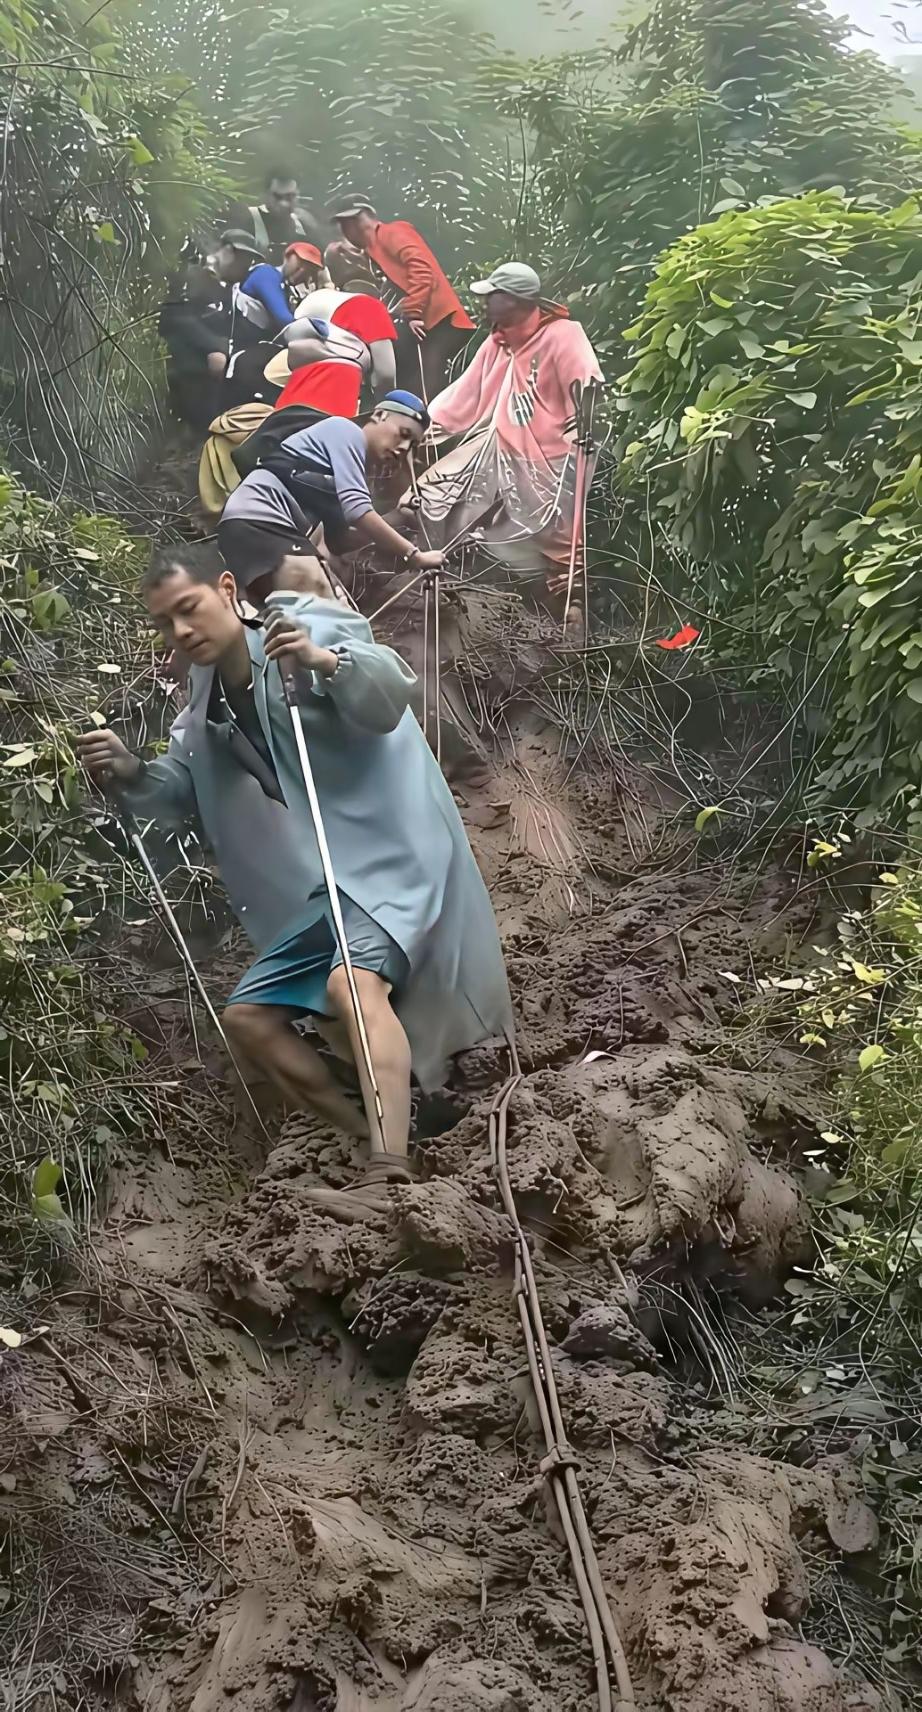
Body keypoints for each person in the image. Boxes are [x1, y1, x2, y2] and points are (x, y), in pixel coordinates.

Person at [76, 544, 513, 1212]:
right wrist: (133, 772)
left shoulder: (296, 628)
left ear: (227, 589)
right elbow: (185, 786)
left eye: (188, 609)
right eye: (166, 623)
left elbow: (389, 689)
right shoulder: (203, 701)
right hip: (334, 877)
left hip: (390, 849)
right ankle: (382, 1131)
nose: (182, 632)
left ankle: (388, 1174)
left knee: (350, 982)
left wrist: (321, 661)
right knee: (248, 1018)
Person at [412, 262, 604, 622]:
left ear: (515, 300)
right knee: (433, 496)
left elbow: (586, 386)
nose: (483, 303)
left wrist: (585, 432)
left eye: (491, 295)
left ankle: (568, 613)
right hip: (497, 446)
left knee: (559, 542)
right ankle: (440, 574)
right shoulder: (499, 342)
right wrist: (421, 428)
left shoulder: (562, 334)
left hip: (552, 457)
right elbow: (464, 395)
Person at [216, 390, 442, 591]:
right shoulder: (346, 432)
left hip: (250, 524)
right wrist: (414, 556)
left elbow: (339, 541)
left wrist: (398, 516)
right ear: (380, 415)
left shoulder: (354, 469)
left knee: (304, 610)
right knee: (322, 595)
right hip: (260, 519)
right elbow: (358, 512)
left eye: (412, 445)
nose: (404, 449)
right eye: (403, 434)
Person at [331, 196, 473, 396]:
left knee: (428, 386)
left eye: (346, 225)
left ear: (359, 221)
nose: (345, 232)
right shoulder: (372, 251)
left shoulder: (392, 232)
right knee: (412, 381)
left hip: (439, 320)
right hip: (424, 323)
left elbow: (423, 273)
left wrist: (413, 313)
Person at [264, 279, 398, 417]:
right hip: (336, 396)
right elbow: (385, 374)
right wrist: (385, 407)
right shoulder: (371, 305)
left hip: (293, 394)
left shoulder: (317, 304)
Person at [226, 169, 323, 264]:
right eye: (278, 197)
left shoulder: (306, 224)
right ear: (266, 196)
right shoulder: (249, 220)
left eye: (289, 197)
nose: (283, 204)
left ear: (297, 196)